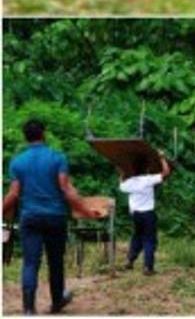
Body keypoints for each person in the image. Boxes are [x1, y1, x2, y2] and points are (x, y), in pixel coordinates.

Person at [3, 119, 104, 316]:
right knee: (55, 261)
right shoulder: (57, 158)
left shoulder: (17, 162)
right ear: (44, 134)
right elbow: (66, 189)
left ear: (25, 137)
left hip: (30, 217)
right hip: (55, 217)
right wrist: (86, 211)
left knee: (30, 263)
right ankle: (57, 302)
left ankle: (29, 309)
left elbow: (13, 194)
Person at [119, 153, 171, 275]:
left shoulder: (129, 182)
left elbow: (121, 184)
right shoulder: (148, 180)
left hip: (136, 215)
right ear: (146, 168)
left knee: (137, 237)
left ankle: (130, 261)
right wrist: (162, 158)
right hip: (148, 214)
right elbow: (166, 173)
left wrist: (123, 171)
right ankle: (148, 267)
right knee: (149, 240)